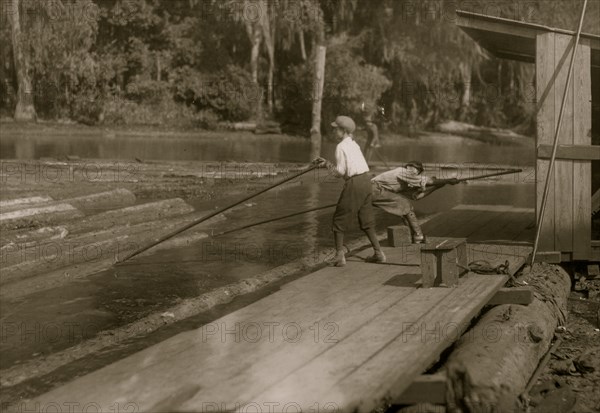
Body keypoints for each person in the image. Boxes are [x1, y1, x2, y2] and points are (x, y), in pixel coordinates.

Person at [314, 115, 386, 266]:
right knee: (366, 221)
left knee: (338, 219)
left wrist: (326, 165)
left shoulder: (340, 146)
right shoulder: (355, 144)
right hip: (366, 182)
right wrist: (328, 163)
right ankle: (379, 253)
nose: (334, 132)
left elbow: (340, 172)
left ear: (343, 130)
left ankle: (340, 256)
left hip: (354, 184)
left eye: (336, 129)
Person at [371, 161, 458, 243]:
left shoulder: (402, 183)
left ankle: (413, 236)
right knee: (405, 204)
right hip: (374, 189)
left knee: (404, 209)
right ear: (409, 167)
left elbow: (416, 196)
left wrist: (438, 186)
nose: (416, 173)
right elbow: (428, 181)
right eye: (417, 170)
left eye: (418, 172)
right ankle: (418, 235)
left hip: (375, 192)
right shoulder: (402, 171)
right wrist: (447, 180)